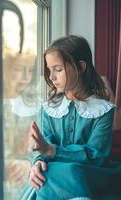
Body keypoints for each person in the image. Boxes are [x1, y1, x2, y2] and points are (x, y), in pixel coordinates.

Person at [28, 35, 121, 200]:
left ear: (80, 67)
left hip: (92, 174)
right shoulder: (50, 109)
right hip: (56, 173)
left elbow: (97, 156)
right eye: (49, 70)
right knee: (44, 174)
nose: (51, 77)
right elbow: (46, 146)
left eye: (58, 69)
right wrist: (38, 161)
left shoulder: (104, 110)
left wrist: (52, 150)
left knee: (70, 171)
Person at [3, 50, 42, 200]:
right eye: (19, 69)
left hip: (27, 178)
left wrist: (28, 163)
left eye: (30, 70)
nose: (26, 77)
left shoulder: (36, 107)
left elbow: (46, 147)